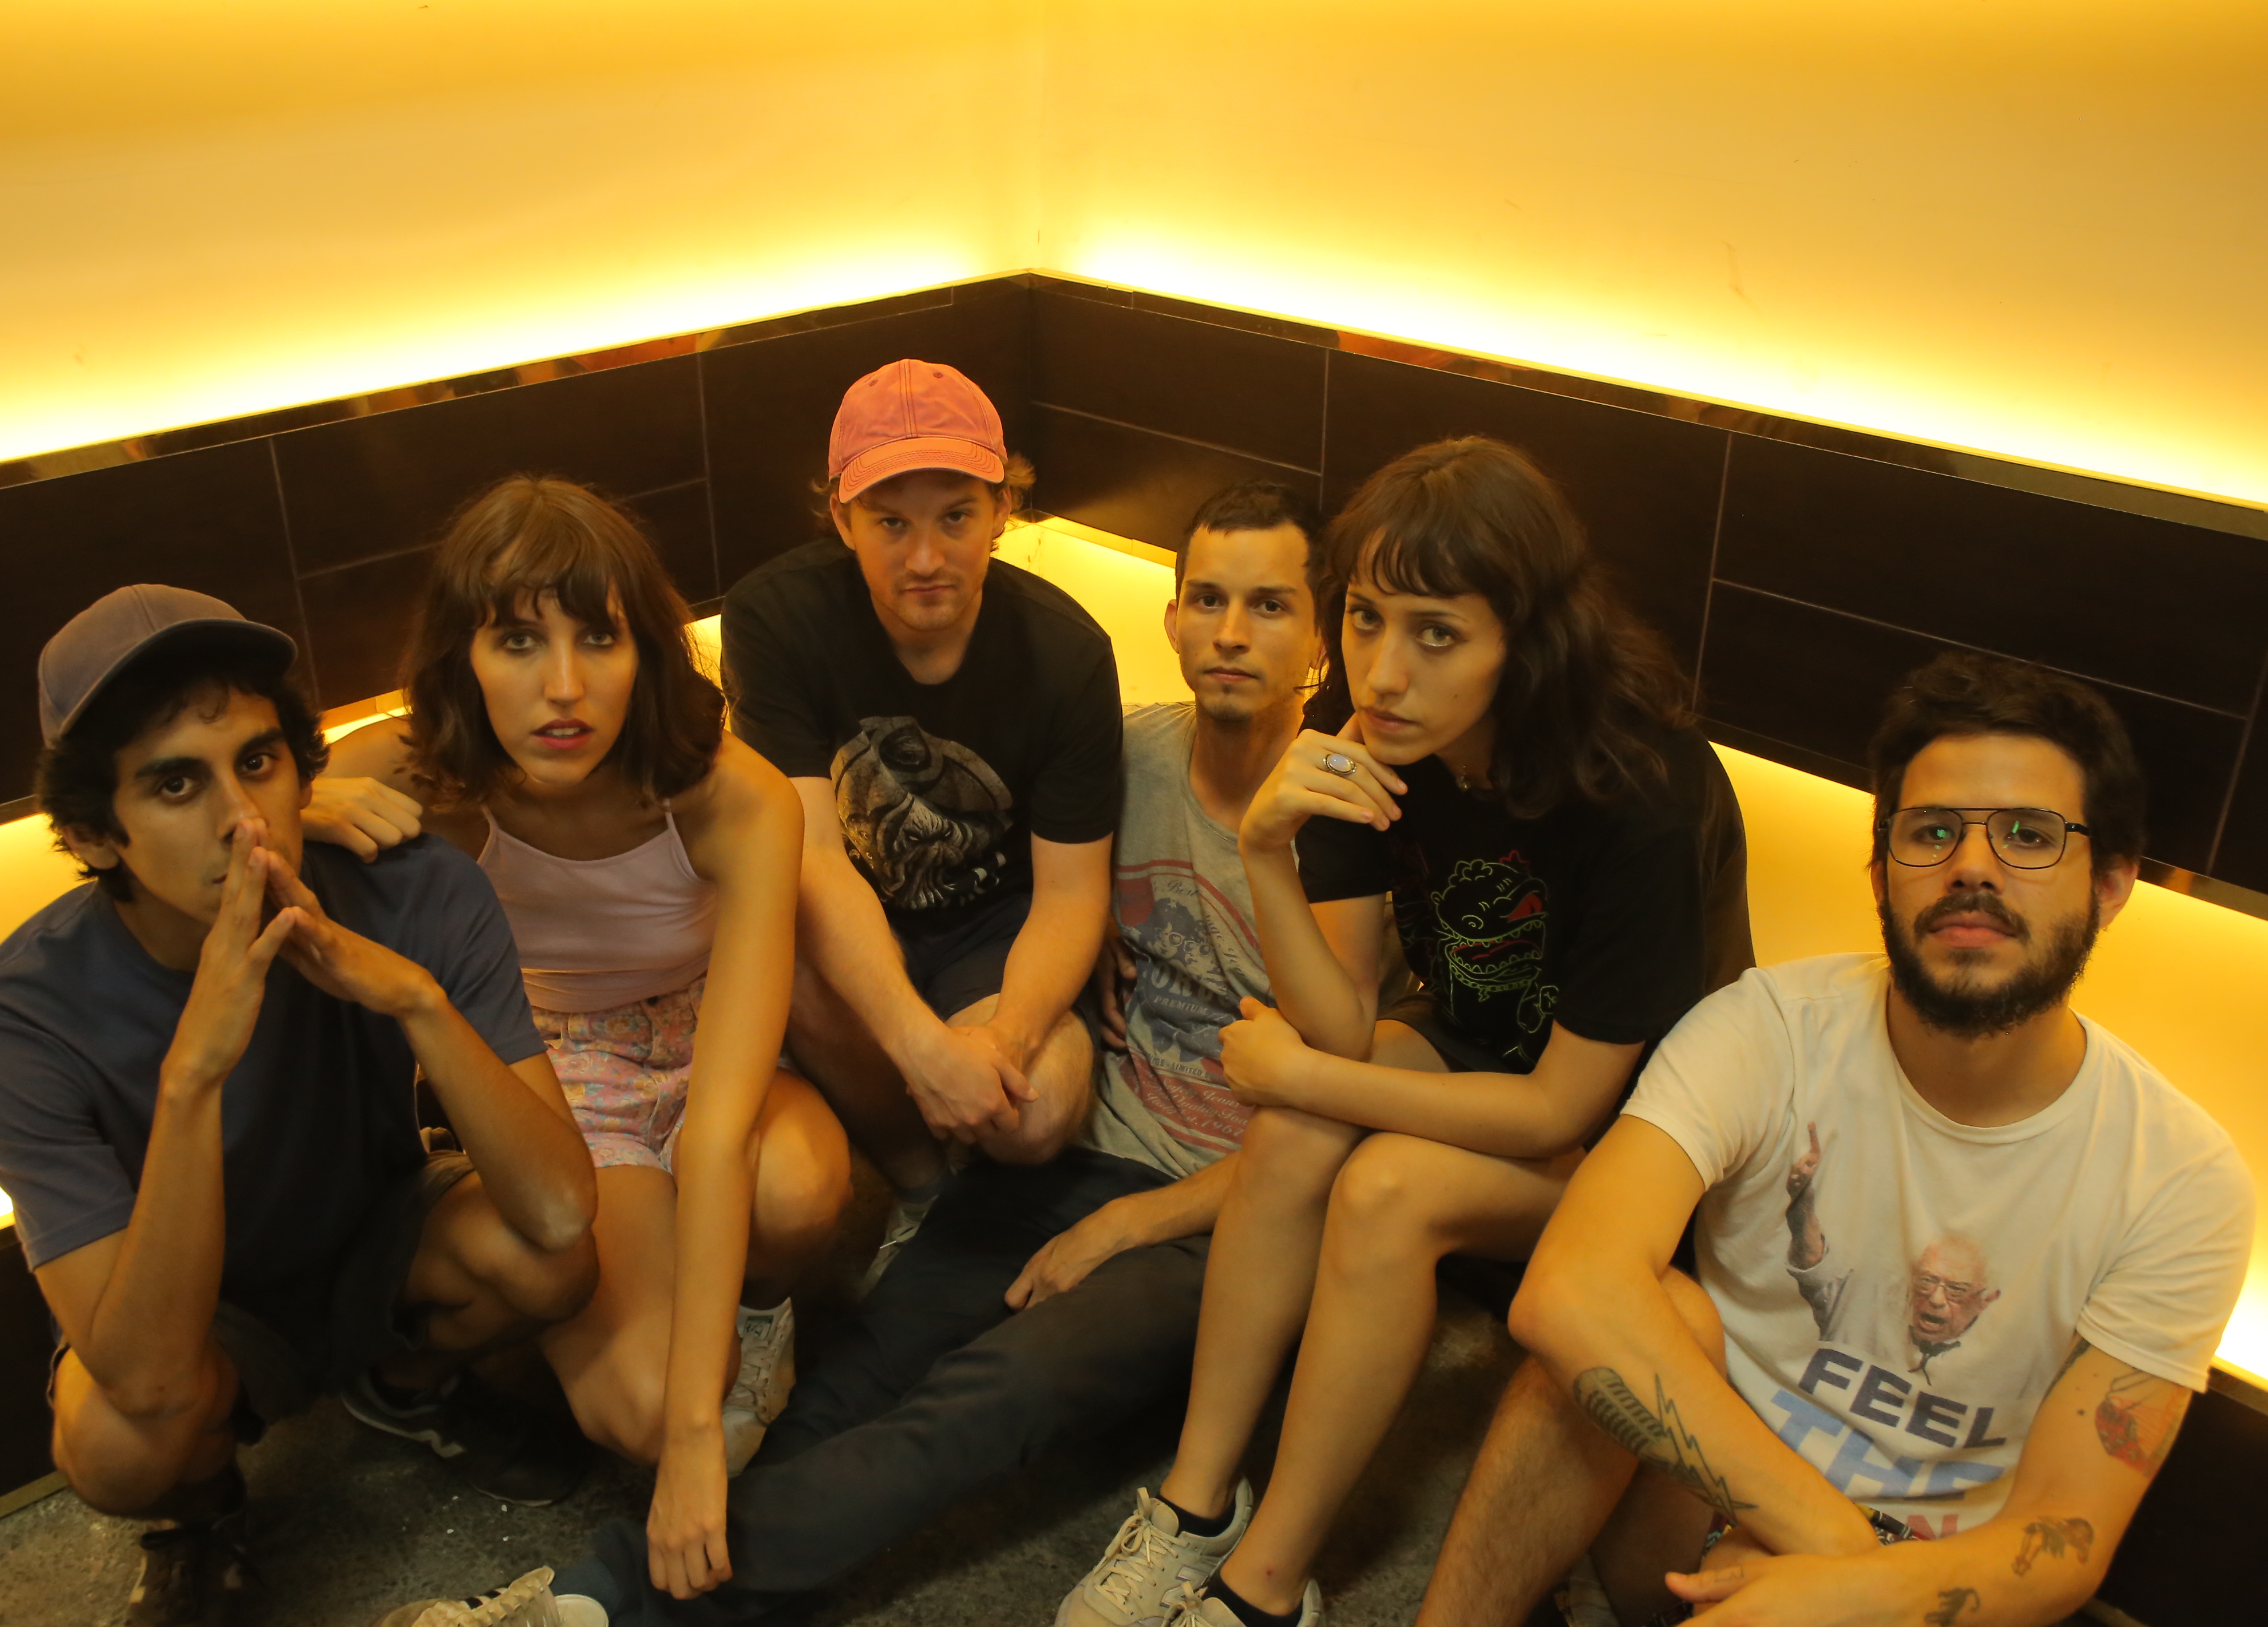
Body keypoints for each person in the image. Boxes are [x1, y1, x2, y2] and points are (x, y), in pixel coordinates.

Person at [375, 478, 1333, 1626]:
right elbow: (1056, 894)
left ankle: (597, 1598)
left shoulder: (1355, 826)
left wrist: (1130, 1224)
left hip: (1216, 1210)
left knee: (980, 1402)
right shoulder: (1136, 750)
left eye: (1271, 606)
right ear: (1170, 619)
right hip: (1085, 1154)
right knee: (861, 1368)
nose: (1231, 635)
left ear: (1321, 639)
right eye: (1209, 600)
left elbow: (1347, 1112)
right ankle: (648, 1569)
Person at [1067, 437, 1755, 1627]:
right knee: (1294, 1133)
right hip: (1481, 1052)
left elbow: (1559, 1109)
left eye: (1437, 633)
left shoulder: (1641, 786)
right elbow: (1339, 1025)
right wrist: (1264, 850)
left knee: (1383, 1185)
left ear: (1525, 641)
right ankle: (1194, 1506)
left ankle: (1265, 1582)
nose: (1385, 672)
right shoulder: (1365, 733)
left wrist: (1299, 1073)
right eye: (1367, 619)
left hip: (1650, 1145)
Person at [1416, 651, 2254, 1627]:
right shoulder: (1770, 1027)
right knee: (1644, 1316)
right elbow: (1569, 1288)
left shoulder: (2180, 1179)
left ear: (2109, 885)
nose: (1972, 866)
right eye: (1931, 832)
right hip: (1702, 1508)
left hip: (1923, 1589)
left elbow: (2063, 1537)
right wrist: (1833, 1544)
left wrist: (1854, 1592)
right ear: (1881, 874)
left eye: (2029, 835)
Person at [0, 585, 599, 1627]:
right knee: (117, 1444)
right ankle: (203, 1513)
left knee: (548, 1259)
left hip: (377, 1236)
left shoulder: (412, 889)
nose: (242, 820)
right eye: (175, 784)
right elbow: (145, 1379)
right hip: (196, 1314)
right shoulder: (10, 1023)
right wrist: (192, 1074)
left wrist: (416, 1002)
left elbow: (562, 1216)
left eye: (257, 762)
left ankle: (408, 1386)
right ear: (95, 832)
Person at [310, 476, 855, 1598]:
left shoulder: (733, 797)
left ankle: (749, 1310)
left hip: (706, 1041)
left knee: (799, 1195)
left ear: (645, 652)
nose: (563, 687)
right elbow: (234, 808)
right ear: (465, 657)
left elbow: (721, 1130)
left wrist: (703, 1439)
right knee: (643, 1410)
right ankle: (644, 1299)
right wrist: (308, 807)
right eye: (518, 641)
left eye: (598, 639)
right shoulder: (417, 768)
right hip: (556, 1068)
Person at [720, 359, 1120, 1262]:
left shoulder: (1068, 653)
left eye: (956, 517)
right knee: (786, 952)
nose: (928, 559)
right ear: (842, 519)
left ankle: (966, 1140)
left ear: (1002, 511)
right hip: (849, 921)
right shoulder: (774, 618)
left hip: (995, 927)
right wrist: (921, 1051)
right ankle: (920, 1188)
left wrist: (1004, 1040)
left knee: (1035, 1115)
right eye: (892, 523)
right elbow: (812, 858)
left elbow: (1070, 896)